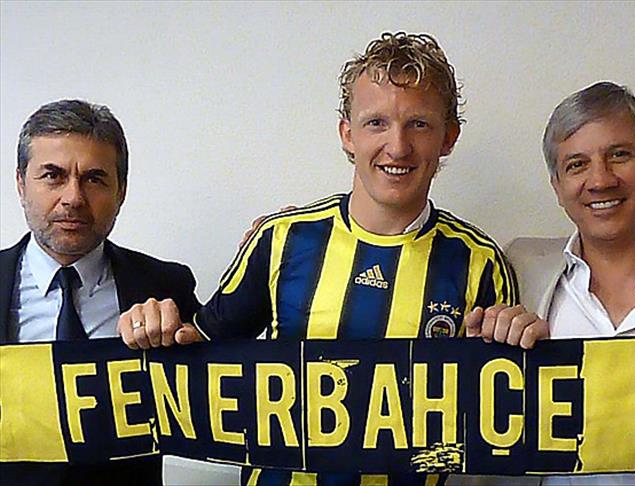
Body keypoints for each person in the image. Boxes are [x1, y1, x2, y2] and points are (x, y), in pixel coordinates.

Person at [119, 32, 548, 485]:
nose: (398, 146)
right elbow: (197, 354)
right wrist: (152, 327)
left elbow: (501, 419)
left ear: (448, 137)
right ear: (348, 134)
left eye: (419, 124)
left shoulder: (481, 263)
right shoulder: (280, 240)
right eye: (376, 123)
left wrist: (527, 351)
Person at [481, 82, 635, 485]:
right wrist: (488, 347)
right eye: (577, 165)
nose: (600, 180)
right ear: (557, 187)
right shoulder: (518, 269)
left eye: (619, 155)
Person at [0, 99, 201, 486]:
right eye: (53, 175)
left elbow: (239, 386)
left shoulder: (167, 287)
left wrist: (270, 251)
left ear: (120, 191)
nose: (73, 197)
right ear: (21, 184)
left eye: (94, 178)